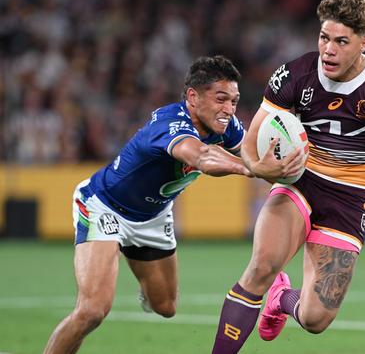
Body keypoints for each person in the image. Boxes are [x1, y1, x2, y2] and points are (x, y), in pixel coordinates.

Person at [211, 0, 365, 352]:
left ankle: (282, 299)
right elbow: (253, 140)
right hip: (300, 182)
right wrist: (259, 167)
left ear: (364, 43)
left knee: (316, 319)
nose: (328, 49)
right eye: (324, 37)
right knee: (261, 267)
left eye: (341, 41)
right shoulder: (295, 74)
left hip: (349, 200)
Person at [43, 55, 251, 354]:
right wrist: (251, 169)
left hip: (153, 217)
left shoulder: (225, 125)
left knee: (166, 307)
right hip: (105, 207)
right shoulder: (169, 123)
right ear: (193, 97)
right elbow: (202, 157)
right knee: (92, 310)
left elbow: (253, 151)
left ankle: (135, 262)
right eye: (221, 99)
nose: (229, 109)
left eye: (234, 100)